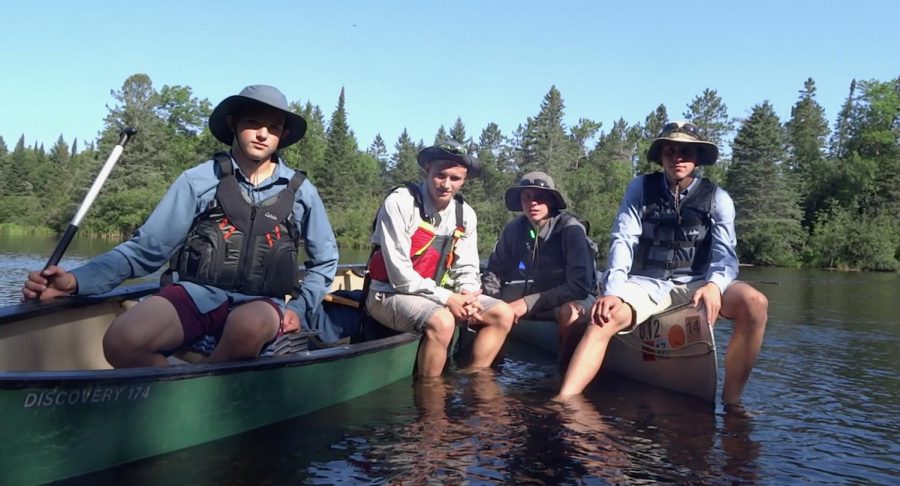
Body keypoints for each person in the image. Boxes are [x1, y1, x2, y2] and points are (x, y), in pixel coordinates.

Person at [21, 85, 340, 367]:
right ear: (233, 125)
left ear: (282, 136)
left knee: (248, 328)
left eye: (273, 127)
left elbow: (325, 260)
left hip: (261, 305)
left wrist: (299, 306)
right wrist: (76, 281)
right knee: (122, 339)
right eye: (253, 123)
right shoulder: (198, 180)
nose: (262, 134)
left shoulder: (302, 193)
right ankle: (181, 387)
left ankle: (199, 386)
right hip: (195, 294)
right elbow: (146, 250)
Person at [559, 121, 768, 413]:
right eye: (670, 150)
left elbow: (725, 257)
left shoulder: (718, 198)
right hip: (647, 283)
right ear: (661, 156)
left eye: (686, 151)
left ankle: (732, 404)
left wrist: (714, 285)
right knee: (604, 318)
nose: (677, 157)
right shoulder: (640, 188)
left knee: (755, 303)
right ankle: (564, 401)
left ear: (697, 157)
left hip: (699, 283)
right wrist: (614, 292)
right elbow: (623, 239)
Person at [365, 141, 514, 377]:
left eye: (455, 179)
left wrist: (468, 295)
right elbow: (400, 277)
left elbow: (467, 267)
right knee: (443, 321)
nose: (446, 185)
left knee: (503, 314)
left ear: (464, 180)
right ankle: (431, 402)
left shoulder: (465, 214)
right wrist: (448, 298)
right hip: (388, 294)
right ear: (427, 170)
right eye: (440, 176)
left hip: (437, 295)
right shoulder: (400, 202)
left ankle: (474, 382)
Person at [482, 171, 596, 366]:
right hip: (533, 291)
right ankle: (490, 369)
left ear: (551, 201)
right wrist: (494, 302)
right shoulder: (514, 229)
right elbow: (495, 270)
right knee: (484, 305)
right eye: (527, 197)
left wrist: (525, 304)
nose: (532, 203)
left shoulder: (571, 230)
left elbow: (579, 286)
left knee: (572, 314)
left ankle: (565, 371)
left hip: (571, 296)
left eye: (539, 197)